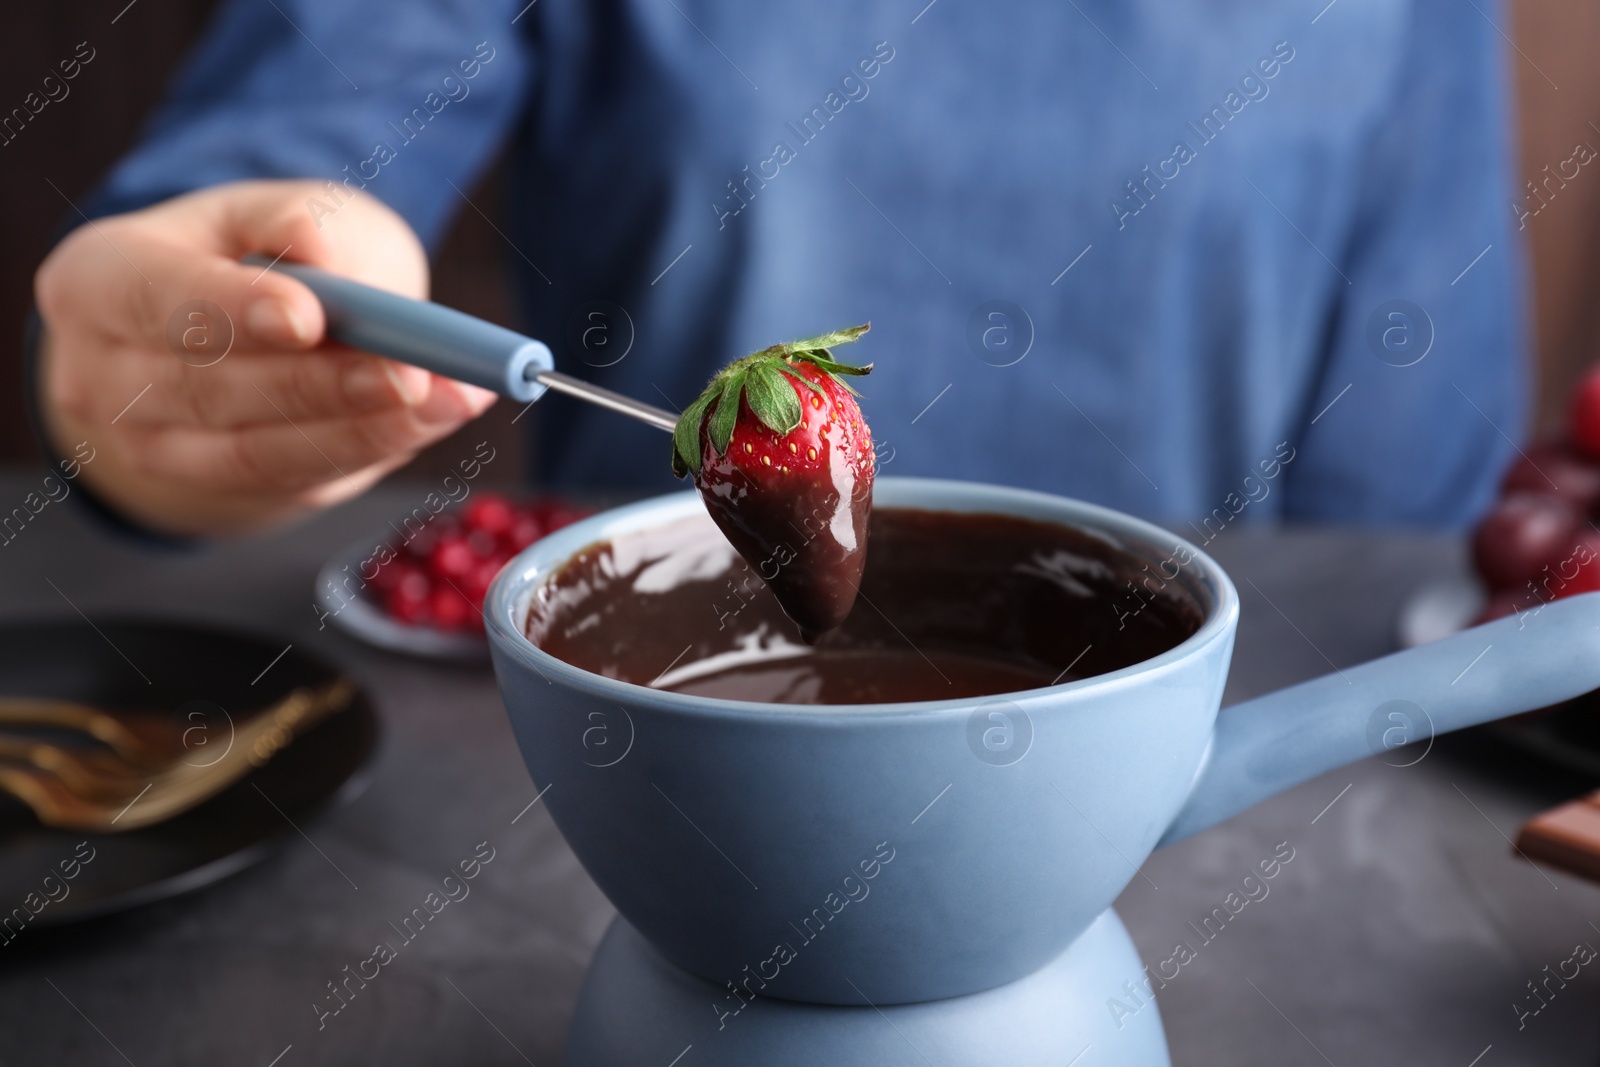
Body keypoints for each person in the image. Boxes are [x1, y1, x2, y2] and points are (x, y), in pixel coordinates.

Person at [32, 0, 1525, 539]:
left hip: (1204, 804)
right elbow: (261, 188)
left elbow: (1397, 522)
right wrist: (176, 363)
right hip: (639, 781)